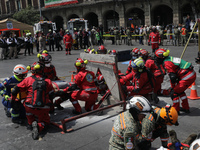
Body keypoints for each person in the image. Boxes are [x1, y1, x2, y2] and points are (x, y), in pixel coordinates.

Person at [11, 62, 54, 140]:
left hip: (29, 106)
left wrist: (13, 101)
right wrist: (51, 108)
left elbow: (14, 90)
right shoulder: (48, 81)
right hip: (43, 108)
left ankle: (30, 123)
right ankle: (39, 125)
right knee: (46, 122)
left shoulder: (28, 80)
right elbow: (51, 95)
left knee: (28, 111)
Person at [154, 48, 196, 114]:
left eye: (157, 57)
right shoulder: (170, 58)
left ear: (161, 57)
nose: (156, 59)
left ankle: (176, 110)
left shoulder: (167, 63)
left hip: (187, 77)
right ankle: (186, 108)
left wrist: (173, 87)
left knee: (174, 93)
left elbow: (172, 77)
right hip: (189, 74)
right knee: (180, 91)